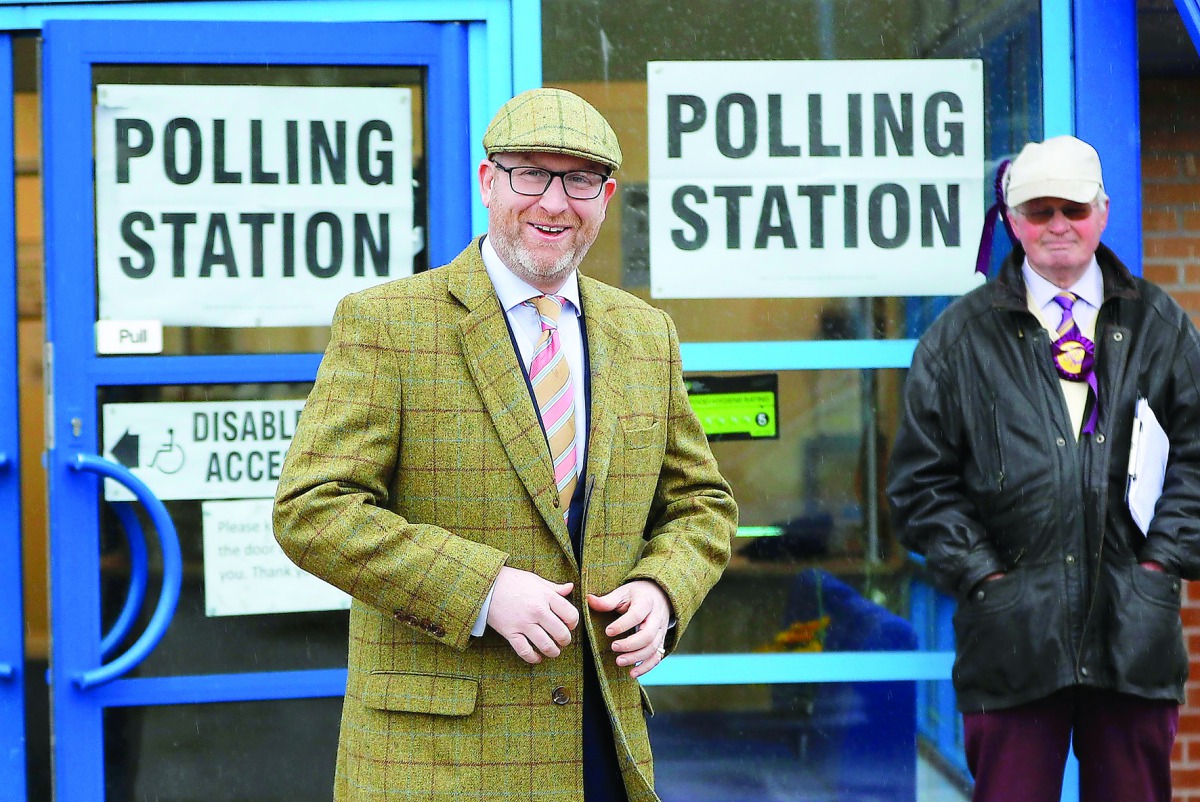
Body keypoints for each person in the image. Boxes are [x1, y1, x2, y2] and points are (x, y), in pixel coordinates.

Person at [273, 87, 737, 802]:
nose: (554, 202)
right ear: (489, 182)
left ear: (606, 198)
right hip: (440, 764)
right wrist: (483, 590)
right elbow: (313, 508)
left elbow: (701, 503)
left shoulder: (645, 333)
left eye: (579, 181)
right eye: (531, 175)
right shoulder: (387, 323)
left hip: (601, 742)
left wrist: (663, 589)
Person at [887, 135, 1200, 802]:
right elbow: (920, 485)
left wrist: (1158, 565)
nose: (1058, 224)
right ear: (1011, 220)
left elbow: (1196, 458)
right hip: (1011, 640)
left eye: (1073, 208)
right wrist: (985, 577)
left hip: (1132, 634)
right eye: (1038, 210)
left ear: (1103, 212)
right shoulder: (958, 338)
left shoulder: (1161, 326)